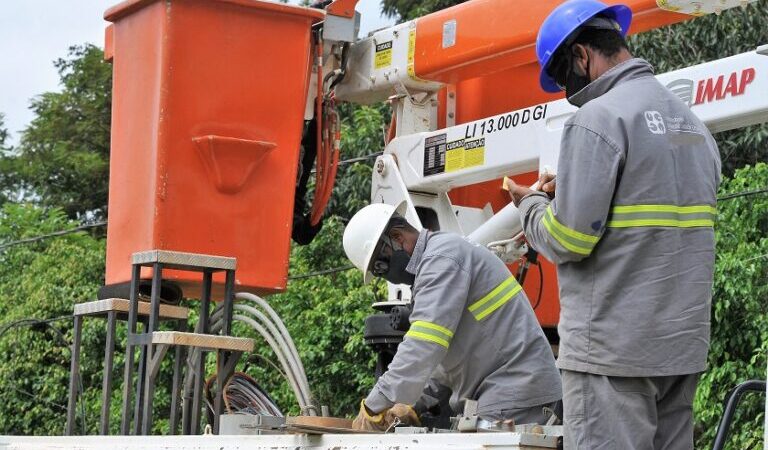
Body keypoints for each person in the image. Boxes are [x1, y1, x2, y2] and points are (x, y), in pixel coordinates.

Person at [507, 1, 721, 448]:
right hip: (679, 352)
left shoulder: (598, 118)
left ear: (582, 56)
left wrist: (529, 207)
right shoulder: (693, 126)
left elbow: (568, 240)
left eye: (565, 78)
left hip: (611, 356)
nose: (569, 92)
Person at [342, 203, 562, 431]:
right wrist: (413, 405)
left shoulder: (441, 259)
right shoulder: (440, 258)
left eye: (381, 266)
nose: (387, 276)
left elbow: (423, 346)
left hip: (515, 391)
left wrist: (373, 406)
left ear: (397, 238)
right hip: (509, 389)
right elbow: (445, 363)